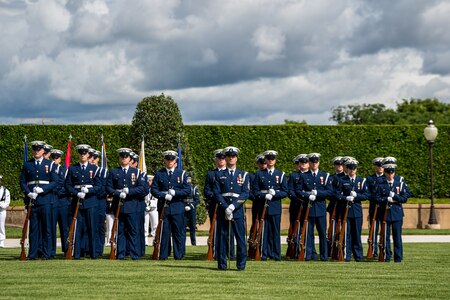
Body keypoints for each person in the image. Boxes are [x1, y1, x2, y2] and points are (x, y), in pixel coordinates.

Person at [19, 141, 58, 259]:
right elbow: (22, 181)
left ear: (43, 151)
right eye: (35, 150)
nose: (37, 151)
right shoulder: (27, 164)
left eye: (39, 149)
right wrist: (28, 193)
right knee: (33, 228)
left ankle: (46, 253)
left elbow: (55, 182)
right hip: (33, 200)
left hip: (45, 199)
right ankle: (33, 253)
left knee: (46, 228)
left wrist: (43, 189)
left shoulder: (50, 164)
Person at [105, 148, 147, 260]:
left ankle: (134, 254)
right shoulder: (114, 172)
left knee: (133, 231)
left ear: (129, 159)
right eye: (122, 157)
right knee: (120, 231)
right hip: (118, 205)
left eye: (126, 157)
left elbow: (142, 188)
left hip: (132, 205)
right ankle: (121, 254)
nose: (124, 159)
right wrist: (117, 193)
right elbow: (108, 187)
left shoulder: (136, 172)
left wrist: (129, 191)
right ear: (119, 158)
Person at [213, 146, 249, 270]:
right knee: (222, 238)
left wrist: (233, 206)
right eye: (229, 156)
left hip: (237, 210)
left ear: (236, 158)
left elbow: (245, 193)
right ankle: (222, 264)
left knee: (240, 239)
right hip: (223, 210)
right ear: (226, 158)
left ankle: (240, 265)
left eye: (233, 156)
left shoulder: (243, 175)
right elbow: (216, 193)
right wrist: (225, 207)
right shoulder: (219, 175)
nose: (231, 158)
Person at [151, 150, 191, 260]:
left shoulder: (181, 174)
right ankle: (163, 254)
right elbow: (154, 189)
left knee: (178, 232)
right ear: (164, 160)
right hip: (164, 207)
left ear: (175, 161)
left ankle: (179, 255)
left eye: (172, 159)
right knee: (164, 232)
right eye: (168, 159)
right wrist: (163, 196)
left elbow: (187, 190)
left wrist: (176, 193)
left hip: (177, 207)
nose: (170, 161)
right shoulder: (159, 174)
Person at [65, 144, 102, 259]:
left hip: (91, 201)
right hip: (77, 202)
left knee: (92, 228)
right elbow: (67, 185)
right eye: (81, 153)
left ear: (88, 155)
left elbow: (99, 186)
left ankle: (93, 254)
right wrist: (76, 193)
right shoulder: (72, 168)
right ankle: (77, 254)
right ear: (78, 154)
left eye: (85, 153)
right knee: (78, 229)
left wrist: (89, 190)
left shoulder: (94, 169)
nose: (83, 155)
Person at [252, 150, 288, 261]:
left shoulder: (280, 174)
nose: (270, 161)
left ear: (275, 160)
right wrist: (264, 196)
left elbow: (285, 192)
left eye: (272, 159)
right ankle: (264, 253)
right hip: (263, 206)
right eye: (268, 159)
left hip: (275, 206)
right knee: (264, 231)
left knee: (276, 232)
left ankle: (276, 254)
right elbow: (255, 191)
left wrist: (275, 194)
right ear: (266, 160)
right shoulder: (259, 174)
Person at [296, 153, 332, 261]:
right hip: (308, 208)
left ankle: (324, 256)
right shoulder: (304, 175)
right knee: (309, 233)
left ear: (318, 163)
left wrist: (317, 193)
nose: (314, 164)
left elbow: (329, 191)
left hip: (320, 208)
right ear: (309, 163)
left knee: (322, 233)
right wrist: (307, 195)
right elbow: (298, 191)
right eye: (312, 162)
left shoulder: (325, 176)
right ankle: (309, 254)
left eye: (316, 162)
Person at [375, 162, 411, 262]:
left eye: (392, 173)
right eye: (388, 172)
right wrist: (386, 199)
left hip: (397, 213)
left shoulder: (400, 184)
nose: (390, 174)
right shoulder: (381, 185)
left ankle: (398, 258)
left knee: (397, 237)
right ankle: (386, 256)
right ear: (385, 173)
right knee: (385, 237)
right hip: (384, 213)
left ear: (394, 173)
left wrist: (395, 197)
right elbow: (376, 198)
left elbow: (405, 198)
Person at [335, 158, 368, 262]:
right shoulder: (342, 180)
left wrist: (357, 196)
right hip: (346, 211)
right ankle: (346, 256)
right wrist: (345, 198)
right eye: (350, 168)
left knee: (357, 235)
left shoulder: (361, 181)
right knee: (346, 235)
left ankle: (358, 256)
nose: (352, 170)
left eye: (354, 168)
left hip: (357, 211)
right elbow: (336, 194)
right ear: (347, 169)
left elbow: (366, 195)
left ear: (356, 169)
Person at [286, 154, 308, 259]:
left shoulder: (310, 175)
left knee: (306, 229)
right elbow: (290, 191)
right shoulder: (293, 176)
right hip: (296, 206)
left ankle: (306, 250)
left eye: (305, 162)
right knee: (295, 228)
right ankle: (294, 250)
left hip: (308, 207)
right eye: (301, 163)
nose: (302, 164)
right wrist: (300, 199)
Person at [49, 149, 69, 257]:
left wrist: (57, 189)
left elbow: (66, 185)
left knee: (64, 227)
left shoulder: (64, 170)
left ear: (60, 159)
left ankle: (66, 250)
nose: (55, 160)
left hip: (63, 202)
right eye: (53, 158)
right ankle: (52, 251)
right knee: (52, 227)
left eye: (57, 158)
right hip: (53, 201)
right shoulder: (49, 171)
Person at [88, 148, 109, 257]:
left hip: (100, 201)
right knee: (88, 225)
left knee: (100, 225)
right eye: (90, 157)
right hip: (88, 200)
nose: (92, 160)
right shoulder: (86, 170)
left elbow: (105, 187)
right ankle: (87, 248)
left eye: (94, 158)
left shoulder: (102, 171)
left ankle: (99, 248)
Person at [366, 157, 384, 258]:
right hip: (374, 208)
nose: (380, 168)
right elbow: (367, 193)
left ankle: (384, 249)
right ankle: (373, 250)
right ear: (375, 166)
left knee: (384, 231)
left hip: (383, 208)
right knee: (373, 230)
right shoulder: (370, 179)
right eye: (378, 166)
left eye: (381, 166)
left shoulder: (386, 178)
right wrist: (375, 198)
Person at [185, 177, 200, 246]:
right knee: (182, 227)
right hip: (183, 207)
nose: (188, 180)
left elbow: (197, 199)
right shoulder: (182, 187)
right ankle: (182, 243)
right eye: (187, 179)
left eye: (189, 179)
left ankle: (193, 243)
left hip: (191, 208)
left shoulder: (194, 188)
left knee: (192, 227)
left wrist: (190, 206)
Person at [144, 175, 158, 246]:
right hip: (146, 209)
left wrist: (153, 204)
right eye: (148, 180)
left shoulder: (155, 188)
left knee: (155, 225)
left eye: (151, 180)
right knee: (145, 225)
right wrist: (145, 205)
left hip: (154, 209)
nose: (149, 182)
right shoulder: (144, 189)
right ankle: (145, 241)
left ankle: (154, 240)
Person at [0, 175, 11, 248]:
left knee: (1, 226)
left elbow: (7, 202)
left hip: (1, 210)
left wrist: (1, 205)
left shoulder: (5, 190)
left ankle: (1, 241)